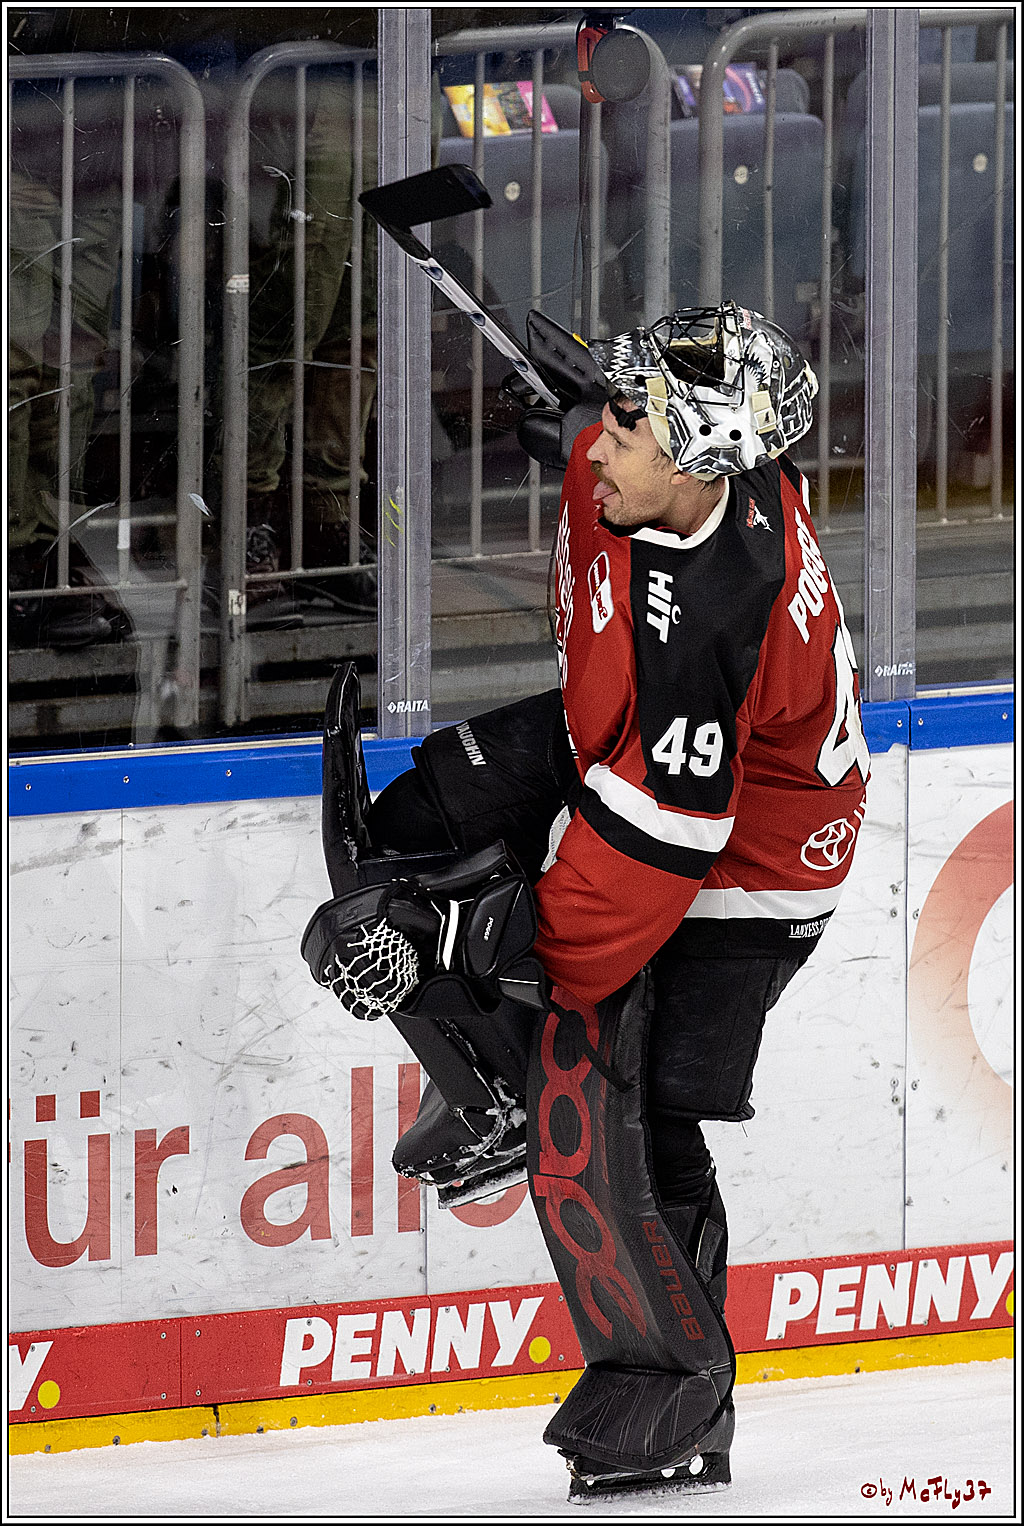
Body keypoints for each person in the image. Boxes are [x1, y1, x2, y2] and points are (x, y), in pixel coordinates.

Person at [304, 302, 869, 1502]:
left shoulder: (709, 629)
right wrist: (584, 405)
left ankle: (675, 1401)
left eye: (626, 427)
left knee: (625, 1116)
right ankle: (502, 1085)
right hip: (618, 742)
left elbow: (647, 860)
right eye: (613, 413)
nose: (600, 445)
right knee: (408, 834)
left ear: (697, 457)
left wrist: (472, 945)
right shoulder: (683, 472)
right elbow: (628, 451)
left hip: (749, 865)